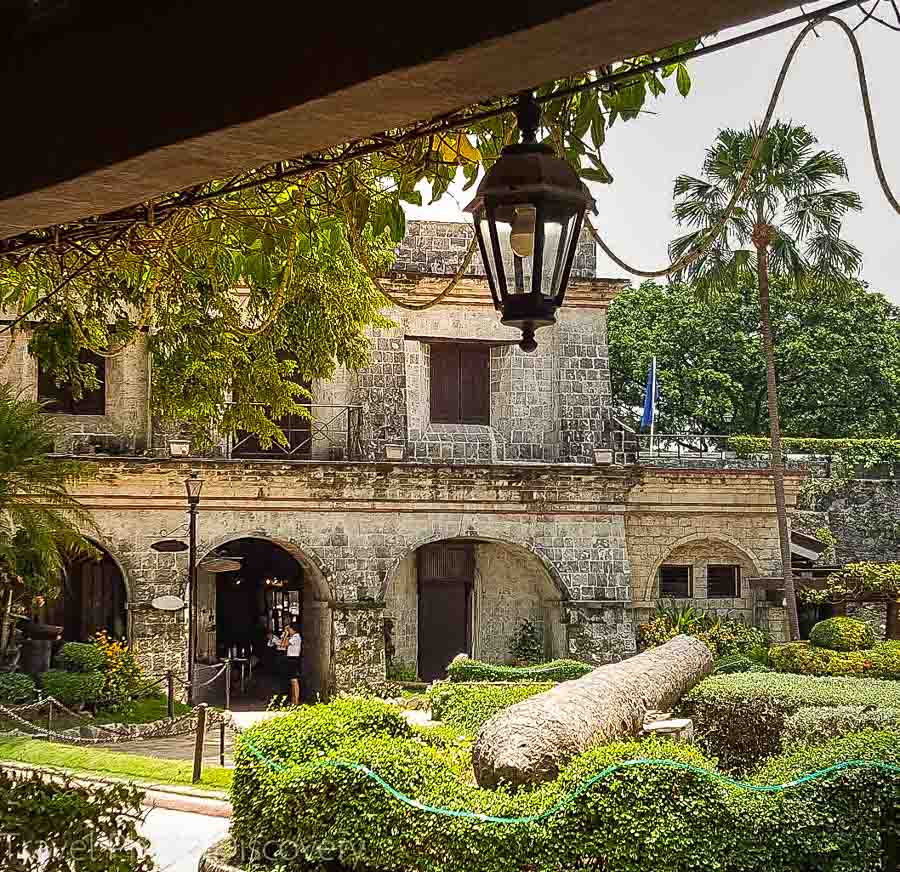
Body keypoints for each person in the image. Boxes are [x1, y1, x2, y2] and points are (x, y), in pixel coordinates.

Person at [280, 620, 302, 706]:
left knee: (294, 681)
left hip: (293, 659)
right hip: (290, 659)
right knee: (292, 681)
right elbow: (282, 644)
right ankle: (293, 700)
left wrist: (285, 634)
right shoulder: (293, 637)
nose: (289, 631)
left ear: (293, 630)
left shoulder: (296, 637)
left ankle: (296, 701)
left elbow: (283, 644)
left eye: (289, 630)